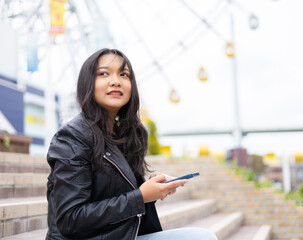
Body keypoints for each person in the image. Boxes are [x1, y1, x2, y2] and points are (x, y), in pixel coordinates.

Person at [46, 48, 218, 240]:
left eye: (124, 74)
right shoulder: (72, 137)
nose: (115, 81)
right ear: (88, 83)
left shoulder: (123, 136)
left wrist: (153, 186)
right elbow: (70, 219)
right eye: (103, 73)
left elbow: (115, 192)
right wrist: (140, 196)